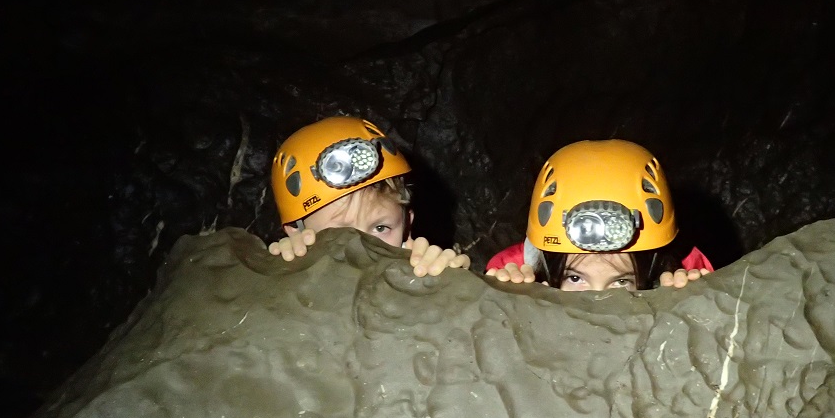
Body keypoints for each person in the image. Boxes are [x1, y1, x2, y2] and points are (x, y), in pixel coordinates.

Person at [485, 140, 713, 291]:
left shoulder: (681, 272)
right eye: (575, 278)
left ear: (652, 269)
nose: (596, 301)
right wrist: (505, 300)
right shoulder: (514, 271)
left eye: (621, 281)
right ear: (545, 263)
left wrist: (688, 306)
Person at [268, 116, 469, 277]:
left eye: (381, 228)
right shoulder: (295, 266)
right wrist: (288, 266)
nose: (363, 248)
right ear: (296, 231)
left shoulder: (415, 267)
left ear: (406, 225)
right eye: (342, 233)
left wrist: (445, 280)